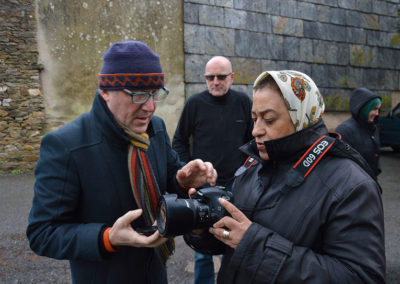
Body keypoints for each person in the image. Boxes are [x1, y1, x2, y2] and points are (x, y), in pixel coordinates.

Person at [26, 41, 217, 284]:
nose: (150, 107)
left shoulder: (155, 128)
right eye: (138, 95)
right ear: (105, 91)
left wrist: (182, 179)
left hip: (156, 274)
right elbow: (42, 233)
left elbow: (169, 173)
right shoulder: (66, 145)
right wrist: (108, 238)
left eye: (156, 94)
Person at [184, 70, 385, 283]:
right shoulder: (253, 165)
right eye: (254, 118)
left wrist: (255, 246)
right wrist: (201, 229)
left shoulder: (352, 187)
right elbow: (234, 243)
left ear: (301, 118)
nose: (256, 130)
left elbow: (361, 277)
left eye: (269, 120)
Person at [172, 56, 253, 284]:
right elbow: (179, 140)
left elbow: (253, 142)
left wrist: (247, 171)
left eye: (221, 76)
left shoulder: (243, 102)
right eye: (210, 77)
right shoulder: (195, 104)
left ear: (232, 77)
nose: (215, 82)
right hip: (204, 187)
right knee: (201, 248)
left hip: (237, 185)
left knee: (235, 242)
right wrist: (187, 170)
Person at [336, 88, 382, 178]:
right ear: (365, 109)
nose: (377, 113)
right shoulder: (345, 131)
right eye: (374, 109)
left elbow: (375, 151)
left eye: (379, 109)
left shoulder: (372, 127)